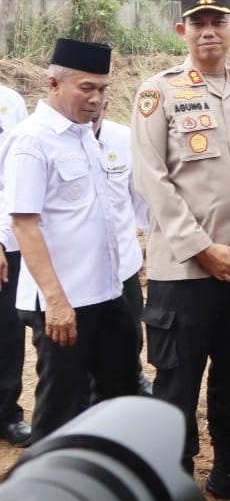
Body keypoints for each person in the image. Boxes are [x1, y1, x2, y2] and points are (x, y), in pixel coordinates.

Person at [131, 0, 230, 501]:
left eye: (219, 21)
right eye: (198, 22)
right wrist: (201, 247)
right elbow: (151, 177)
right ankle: (172, 481)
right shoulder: (158, 92)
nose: (209, 31)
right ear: (182, 30)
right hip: (184, 271)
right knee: (176, 382)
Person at [2, 38, 139, 443]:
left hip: (108, 293)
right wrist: (57, 303)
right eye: (86, 88)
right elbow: (25, 226)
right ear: (53, 83)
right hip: (64, 303)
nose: (96, 99)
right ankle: (50, 480)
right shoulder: (32, 140)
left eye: (103, 89)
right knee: (62, 408)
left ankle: (107, 473)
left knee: (119, 394)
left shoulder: (83, 135)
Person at [91, 100, 152, 397]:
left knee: (129, 333)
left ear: (105, 106)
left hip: (123, 264)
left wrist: (156, 242)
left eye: (97, 114)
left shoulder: (123, 138)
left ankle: (133, 377)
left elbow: (141, 200)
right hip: (76, 271)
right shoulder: (42, 139)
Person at [0, 82, 30, 447]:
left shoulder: (9, 101)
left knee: (7, 326)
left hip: (4, 233)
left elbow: (14, 176)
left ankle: (6, 413)